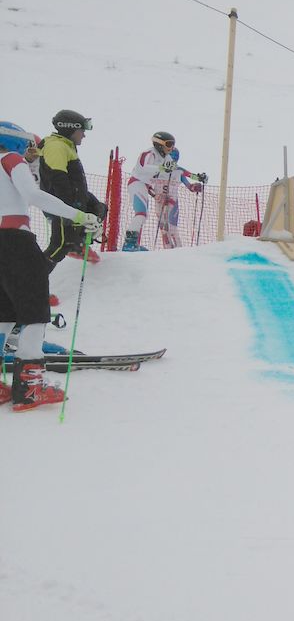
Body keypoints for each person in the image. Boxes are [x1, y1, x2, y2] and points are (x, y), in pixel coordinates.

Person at [0, 121, 102, 411]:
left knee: (4, 312)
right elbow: (33, 196)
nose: (31, 151)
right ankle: (30, 388)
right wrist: (79, 216)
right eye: (28, 145)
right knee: (35, 312)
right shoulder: (11, 159)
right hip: (16, 239)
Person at [41, 109, 106, 271]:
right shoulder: (56, 147)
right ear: (70, 129)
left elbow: (74, 183)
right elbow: (58, 179)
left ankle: (77, 244)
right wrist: (71, 209)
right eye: (81, 130)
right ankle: (32, 279)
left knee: (99, 209)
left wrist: (88, 202)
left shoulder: (66, 146)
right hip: (61, 205)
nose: (84, 135)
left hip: (73, 200)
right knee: (60, 245)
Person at [123, 132, 205, 251]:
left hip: (155, 190)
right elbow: (143, 167)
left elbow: (181, 171)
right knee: (142, 215)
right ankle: (129, 243)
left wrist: (198, 178)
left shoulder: (166, 158)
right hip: (138, 182)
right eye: (169, 144)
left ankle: (136, 243)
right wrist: (162, 170)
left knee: (159, 222)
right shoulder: (149, 153)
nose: (171, 148)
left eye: (173, 145)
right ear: (160, 144)